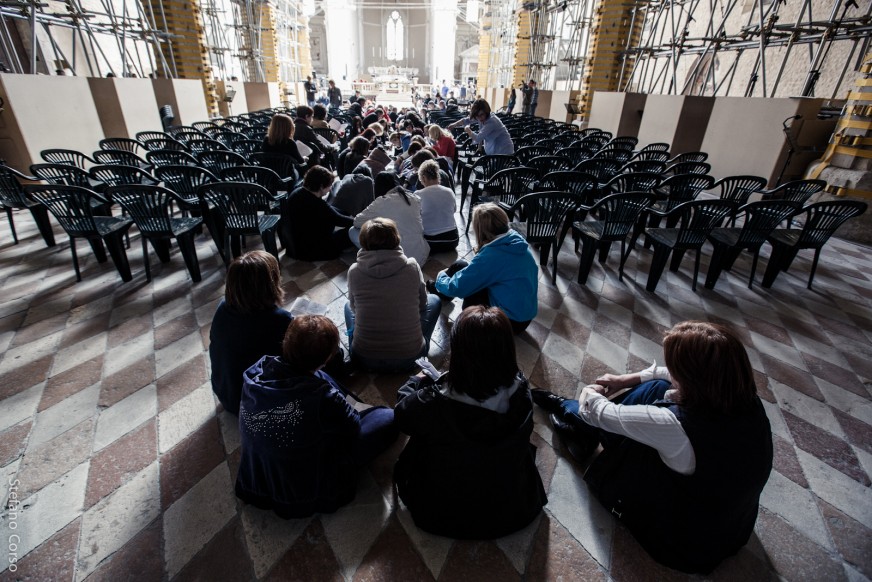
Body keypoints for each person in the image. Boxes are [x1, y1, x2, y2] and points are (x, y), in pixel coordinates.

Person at [531, 321, 773, 574]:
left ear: (691, 377)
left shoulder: (676, 427)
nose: (673, 372)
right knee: (656, 388)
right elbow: (672, 375)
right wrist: (627, 379)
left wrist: (592, 390)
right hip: (729, 527)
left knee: (596, 417)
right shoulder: (738, 394)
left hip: (684, 541)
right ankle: (583, 431)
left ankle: (568, 414)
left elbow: (597, 410)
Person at [393, 305, 547, 538]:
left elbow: (402, 416)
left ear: (459, 352)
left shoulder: (435, 403)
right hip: (509, 506)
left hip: (444, 510)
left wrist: (414, 383)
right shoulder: (521, 392)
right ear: (507, 349)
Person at [235, 315, 398, 518]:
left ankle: (355, 406)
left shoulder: (256, 372)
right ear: (326, 359)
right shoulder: (322, 397)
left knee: (320, 380)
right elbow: (352, 430)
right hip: (302, 487)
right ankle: (360, 407)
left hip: (258, 480)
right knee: (389, 417)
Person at [345, 218, 442, 372]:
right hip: (411, 358)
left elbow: (354, 308)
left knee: (347, 306)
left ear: (363, 242)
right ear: (395, 239)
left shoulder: (354, 271)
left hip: (363, 358)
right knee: (435, 300)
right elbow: (422, 304)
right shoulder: (411, 266)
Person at [209, 251, 292, 415]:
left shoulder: (223, 307)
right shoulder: (278, 319)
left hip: (225, 394)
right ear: (270, 284)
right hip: (251, 403)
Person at [432, 203, 537, 333]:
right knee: (461, 266)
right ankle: (442, 293)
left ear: (480, 230)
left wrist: (440, 276)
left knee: (469, 288)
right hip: (525, 317)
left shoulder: (492, 255)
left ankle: (467, 323)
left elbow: (457, 288)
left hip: (508, 322)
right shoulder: (516, 241)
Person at [350, 172, 429, 266]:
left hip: (396, 259)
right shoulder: (413, 197)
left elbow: (357, 222)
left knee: (352, 231)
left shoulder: (380, 202)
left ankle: (373, 257)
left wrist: (373, 220)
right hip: (421, 255)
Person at [282, 165, 353, 261]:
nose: (330, 188)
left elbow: (330, 211)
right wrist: (360, 221)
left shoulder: (298, 192)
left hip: (296, 247)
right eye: (329, 185)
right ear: (321, 186)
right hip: (312, 251)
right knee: (349, 232)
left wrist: (346, 213)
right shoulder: (316, 204)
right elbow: (338, 219)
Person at [416, 160, 458, 253]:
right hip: (452, 240)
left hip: (431, 242)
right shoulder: (449, 191)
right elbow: (454, 210)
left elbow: (415, 217)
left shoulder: (418, 194)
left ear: (423, 178)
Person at [447, 98, 513, 155]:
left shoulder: (492, 122)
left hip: (504, 152)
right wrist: (454, 124)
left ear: (486, 112)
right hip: (495, 151)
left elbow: (478, 138)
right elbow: (466, 120)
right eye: (477, 116)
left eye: (481, 115)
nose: (479, 118)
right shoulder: (480, 117)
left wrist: (468, 129)